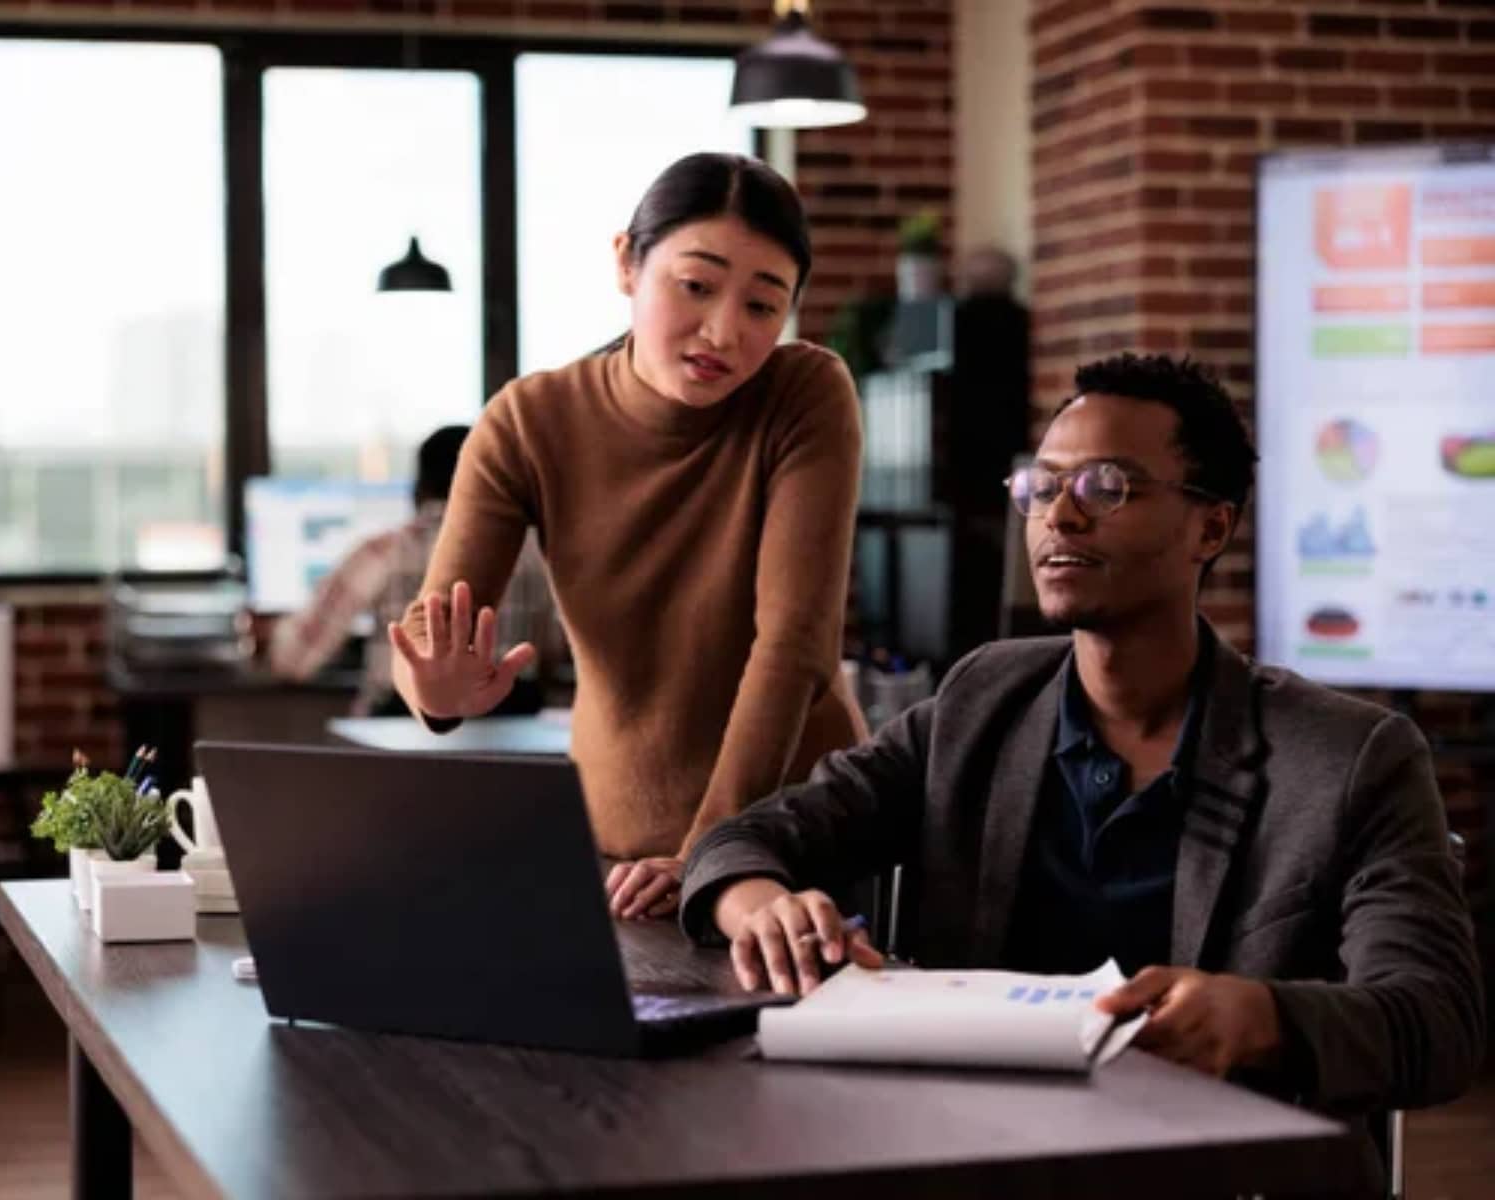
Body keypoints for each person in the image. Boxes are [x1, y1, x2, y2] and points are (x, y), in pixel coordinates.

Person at [679, 353, 1483, 1185]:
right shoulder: (983, 698)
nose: (1059, 516)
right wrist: (760, 906)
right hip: (978, 1155)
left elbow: (1438, 1021)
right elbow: (743, 840)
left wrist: (1263, 1017)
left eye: (1107, 487)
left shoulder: (1351, 758)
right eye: (1042, 485)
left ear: (1211, 527)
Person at [387, 152, 868, 920]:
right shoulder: (528, 421)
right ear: (627, 263)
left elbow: (795, 644)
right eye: (697, 285)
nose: (724, 330)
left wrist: (711, 850)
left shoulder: (804, 394)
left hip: (790, 846)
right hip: (620, 860)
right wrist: (433, 690)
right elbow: (430, 631)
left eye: (761, 305)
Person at [269, 425, 558, 718]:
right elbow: (549, 654)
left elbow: (294, 660)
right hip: (514, 745)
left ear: (420, 486)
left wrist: (268, 634)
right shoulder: (537, 554)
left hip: (397, 742)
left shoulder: (382, 553)